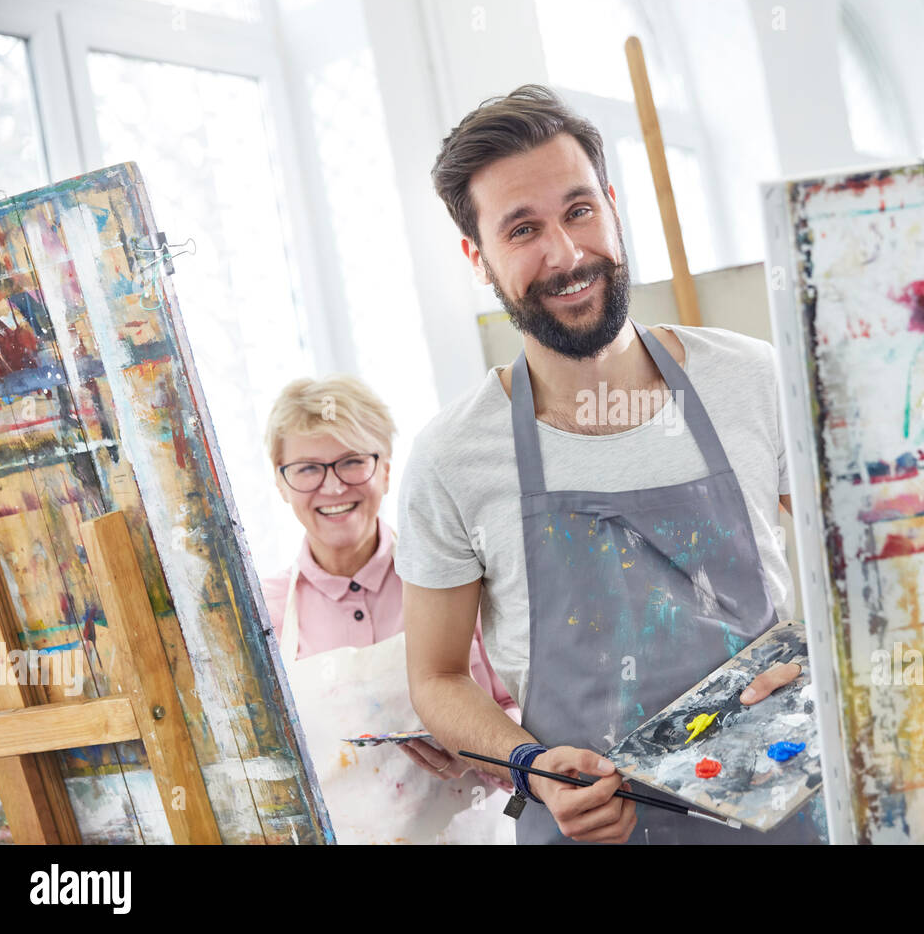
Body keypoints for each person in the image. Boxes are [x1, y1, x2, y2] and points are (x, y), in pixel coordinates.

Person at [397, 84, 824, 845]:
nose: (565, 254)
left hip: (786, 813)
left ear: (613, 206)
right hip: (588, 832)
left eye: (579, 210)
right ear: (479, 258)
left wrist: (827, 667)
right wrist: (529, 766)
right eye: (523, 229)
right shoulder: (450, 457)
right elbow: (436, 675)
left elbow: (855, 569)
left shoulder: (754, 379)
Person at [260, 374, 519, 843]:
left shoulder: (458, 581)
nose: (333, 487)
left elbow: (518, 710)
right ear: (280, 482)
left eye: (352, 462)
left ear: (384, 469)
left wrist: (481, 749)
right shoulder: (263, 616)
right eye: (307, 469)